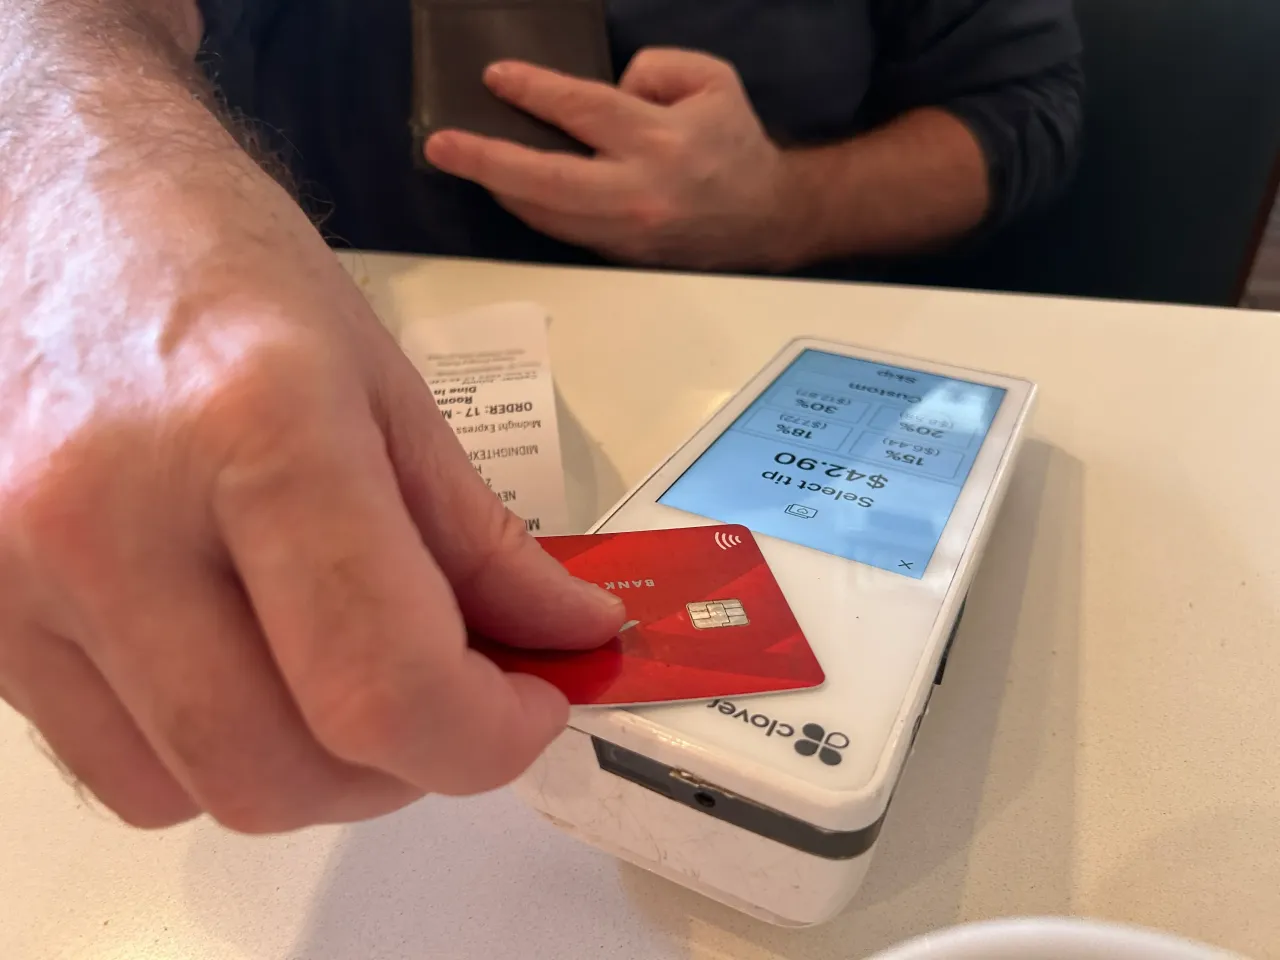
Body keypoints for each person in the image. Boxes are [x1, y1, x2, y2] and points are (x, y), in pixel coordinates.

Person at [0, 0, 1079, 834]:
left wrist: (784, 206)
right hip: (265, 395)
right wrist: (81, 180)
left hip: (779, 358)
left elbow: (1023, 105)